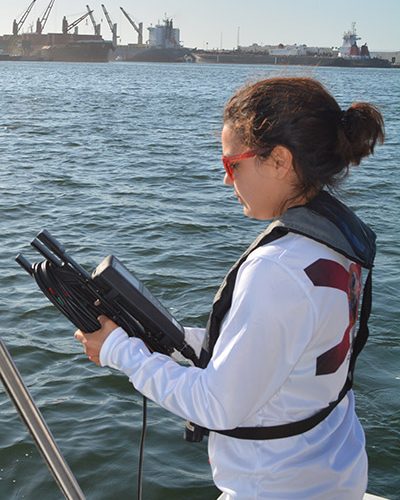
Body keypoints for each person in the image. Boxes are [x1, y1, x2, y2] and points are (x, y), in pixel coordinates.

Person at [74, 77, 384, 499]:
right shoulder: (333, 243)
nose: (225, 181)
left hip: (276, 488)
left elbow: (216, 406)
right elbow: (283, 351)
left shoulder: (277, 269)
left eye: (231, 164)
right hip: (333, 471)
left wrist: (117, 351)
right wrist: (175, 339)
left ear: (278, 160)